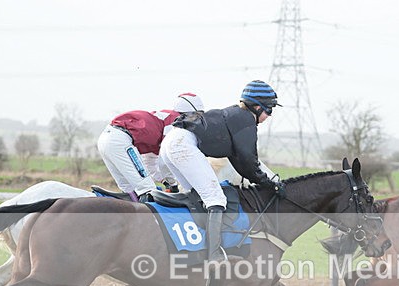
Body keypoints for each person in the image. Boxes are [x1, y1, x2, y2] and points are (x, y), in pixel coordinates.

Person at [159, 80, 282, 265]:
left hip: (171, 142)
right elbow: (249, 162)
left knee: (196, 195)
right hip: (183, 144)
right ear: (256, 107)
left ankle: (190, 243)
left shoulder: (236, 116)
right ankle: (214, 255)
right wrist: (269, 184)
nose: (269, 115)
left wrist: (264, 180)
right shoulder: (246, 120)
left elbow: (239, 161)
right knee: (215, 199)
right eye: (269, 109)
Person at [96, 93, 205, 201]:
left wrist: (164, 180)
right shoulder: (175, 122)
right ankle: (150, 219)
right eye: (196, 115)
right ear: (188, 112)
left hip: (106, 139)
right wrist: (172, 183)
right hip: (120, 140)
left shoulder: (162, 123)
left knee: (130, 190)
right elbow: (165, 160)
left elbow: (150, 162)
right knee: (148, 189)